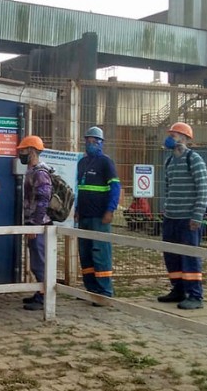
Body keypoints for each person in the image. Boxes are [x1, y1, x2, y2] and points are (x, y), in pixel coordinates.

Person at [158, 122, 207, 310]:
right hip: (171, 218)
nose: (171, 138)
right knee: (171, 256)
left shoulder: (194, 159)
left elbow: (203, 189)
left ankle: (195, 296)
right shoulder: (169, 161)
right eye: (171, 134)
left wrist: (197, 216)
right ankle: (178, 290)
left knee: (190, 256)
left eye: (176, 135)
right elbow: (168, 188)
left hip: (188, 219)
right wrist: (166, 210)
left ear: (186, 139)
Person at [75, 126, 120, 303]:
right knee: (85, 252)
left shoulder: (106, 163)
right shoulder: (82, 163)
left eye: (95, 141)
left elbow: (115, 187)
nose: (91, 144)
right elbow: (81, 188)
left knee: (100, 252)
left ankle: (104, 290)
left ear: (101, 143)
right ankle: (91, 288)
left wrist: (110, 210)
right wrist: (78, 209)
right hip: (85, 216)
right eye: (88, 141)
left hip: (99, 217)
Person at [16, 135, 53, 311]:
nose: (20, 154)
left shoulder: (40, 172)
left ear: (31, 151)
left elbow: (43, 200)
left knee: (40, 262)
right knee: (36, 261)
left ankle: (44, 297)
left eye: (23, 150)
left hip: (39, 225)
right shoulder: (32, 171)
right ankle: (40, 292)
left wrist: (35, 225)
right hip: (34, 223)